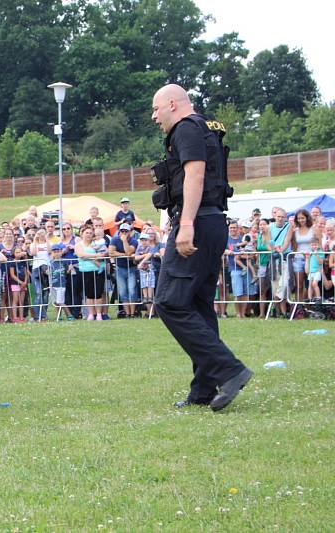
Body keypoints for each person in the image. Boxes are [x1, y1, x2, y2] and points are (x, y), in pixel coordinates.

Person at [150, 83, 252, 411]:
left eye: (156, 109)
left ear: (173, 105)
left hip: (197, 221)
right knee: (198, 304)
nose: (154, 117)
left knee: (169, 302)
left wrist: (186, 224)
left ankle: (230, 370)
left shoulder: (185, 128)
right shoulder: (206, 127)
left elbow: (194, 175)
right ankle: (204, 390)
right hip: (214, 222)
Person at [109, 222, 139, 318]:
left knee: (132, 290)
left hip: (131, 269)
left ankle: (133, 313)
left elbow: (129, 251)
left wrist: (124, 241)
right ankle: (127, 313)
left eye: (126, 231)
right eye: (122, 231)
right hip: (120, 269)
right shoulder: (114, 239)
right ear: (119, 231)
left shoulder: (134, 241)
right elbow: (111, 252)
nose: (124, 233)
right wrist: (123, 255)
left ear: (130, 232)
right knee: (122, 292)